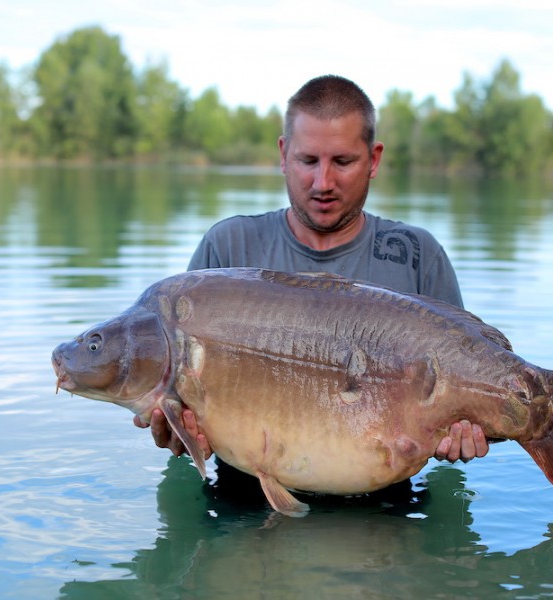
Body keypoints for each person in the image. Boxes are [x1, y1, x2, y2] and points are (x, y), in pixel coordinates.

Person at [135, 74, 488, 475]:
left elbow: (471, 388)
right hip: (241, 503)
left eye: (342, 161)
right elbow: (184, 414)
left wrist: (466, 431)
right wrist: (178, 434)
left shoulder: (416, 256)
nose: (323, 183)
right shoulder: (227, 250)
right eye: (308, 161)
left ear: (373, 160)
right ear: (284, 155)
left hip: (387, 509)